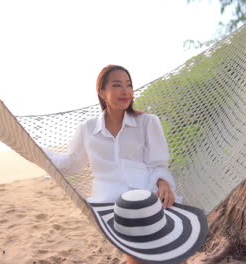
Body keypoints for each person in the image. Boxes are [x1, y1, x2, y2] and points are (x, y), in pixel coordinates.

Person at [44, 65, 184, 263]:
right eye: (117, 85)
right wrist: (35, 151)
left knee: (174, 252)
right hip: (111, 203)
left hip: (147, 195)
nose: (125, 91)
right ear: (102, 93)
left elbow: (158, 164)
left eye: (128, 85)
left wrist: (164, 184)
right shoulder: (88, 129)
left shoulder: (147, 122)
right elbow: (72, 164)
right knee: (137, 256)